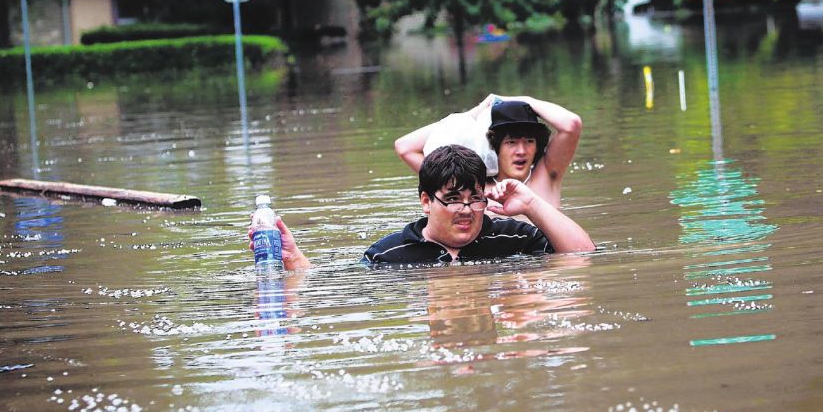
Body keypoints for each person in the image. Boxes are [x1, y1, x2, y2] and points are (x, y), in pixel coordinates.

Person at [254, 144, 595, 271]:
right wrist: (295, 259)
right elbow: (336, 286)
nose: (466, 210)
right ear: (426, 201)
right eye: (452, 199)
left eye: (474, 199)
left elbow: (583, 256)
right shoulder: (390, 254)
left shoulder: (509, 237)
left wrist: (531, 204)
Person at [394, 91, 582, 210]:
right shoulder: (468, 186)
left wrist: (519, 100)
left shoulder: (547, 174)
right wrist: (474, 114)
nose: (521, 151)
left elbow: (571, 124)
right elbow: (405, 147)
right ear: (495, 147)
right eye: (511, 143)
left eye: (529, 141)